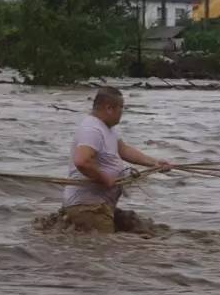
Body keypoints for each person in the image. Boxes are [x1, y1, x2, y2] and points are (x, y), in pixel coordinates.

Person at [61, 86, 171, 233]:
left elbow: (124, 150)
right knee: (107, 250)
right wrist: (104, 178)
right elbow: (82, 161)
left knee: (144, 233)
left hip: (101, 204)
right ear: (109, 108)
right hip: (87, 206)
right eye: (121, 108)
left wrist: (155, 163)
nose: (122, 113)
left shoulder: (107, 128)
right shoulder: (92, 130)